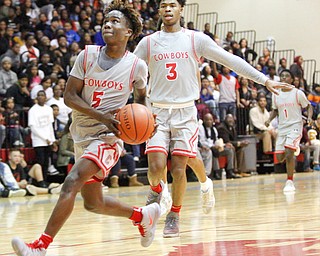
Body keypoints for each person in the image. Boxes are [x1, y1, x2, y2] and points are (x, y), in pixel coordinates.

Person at [133, 0, 293, 238]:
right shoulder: (148, 42)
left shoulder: (195, 39)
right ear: (158, 11)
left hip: (185, 112)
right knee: (155, 168)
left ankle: (174, 214)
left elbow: (231, 60)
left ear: (180, 10)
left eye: (172, 5)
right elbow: (130, 69)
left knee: (179, 168)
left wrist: (263, 79)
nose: (168, 9)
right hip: (157, 112)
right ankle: (159, 190)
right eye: (163, 5)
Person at [11, 2, 160, 255]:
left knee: (71, 182)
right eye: (106, 20)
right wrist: (100, 115)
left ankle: (40, 247)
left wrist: (147, 123)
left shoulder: (137, 66)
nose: (108, 24)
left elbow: (141, 99)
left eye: (115, 21)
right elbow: (70, 97)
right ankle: (142, 216)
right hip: (83, 132)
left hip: (109, 137)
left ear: (129, 32)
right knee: (93, 203)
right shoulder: (87, 55)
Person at [266, 69, 313, 192]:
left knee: (288, 152)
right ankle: (294, 148)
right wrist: (268, 120)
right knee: (280, 157)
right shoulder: (275, 94)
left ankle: (289, 181)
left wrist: (308, 117)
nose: (284, 78)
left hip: (295, 126)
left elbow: (308, 106)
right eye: (282, 76)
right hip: (282, 128)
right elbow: (275, 110)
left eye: (287, 76)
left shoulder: (297, 93)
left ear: (292, 80)